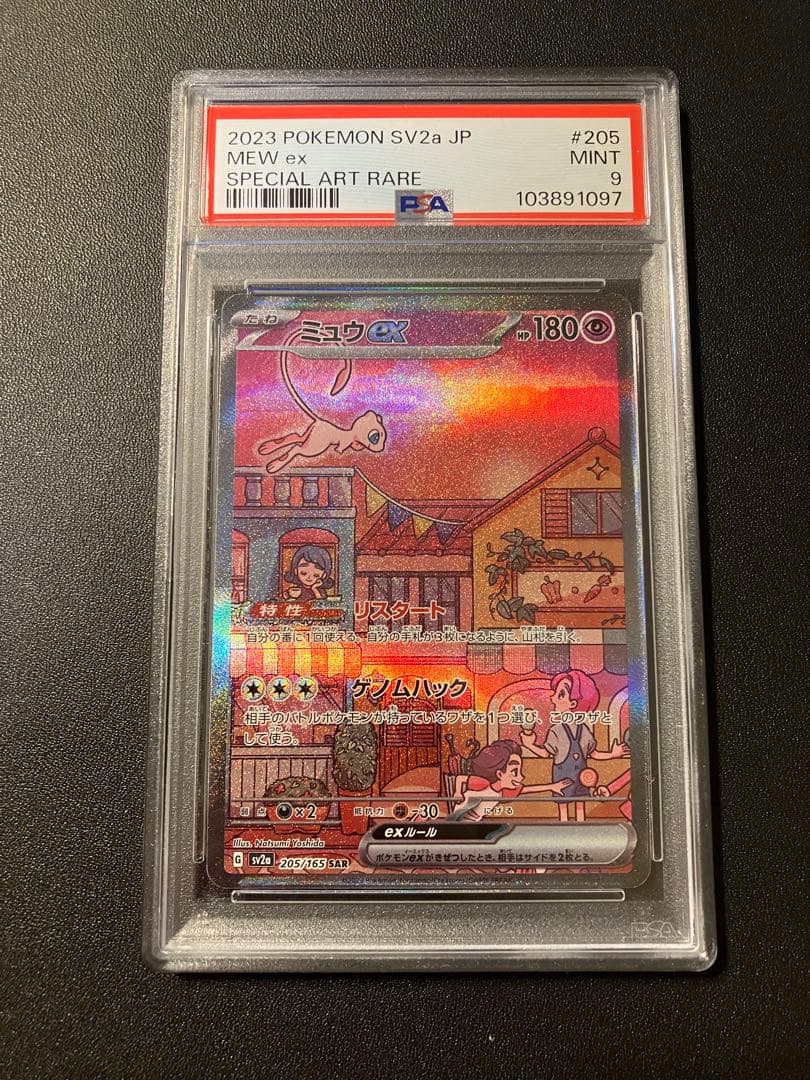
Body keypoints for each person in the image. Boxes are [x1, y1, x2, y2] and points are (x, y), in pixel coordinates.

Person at [521, 669, 629, 822]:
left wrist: (529, 745)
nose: (553, 698)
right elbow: (593, 754)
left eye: (560, 694)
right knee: (567, 807)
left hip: (582, 777)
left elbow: (592, 753)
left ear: (573, 703)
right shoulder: (558, 730)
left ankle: (578, 829)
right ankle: (568, 828)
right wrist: (529, 745)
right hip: (562, 777)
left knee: (578, 805)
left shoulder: (574, 730)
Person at [450, 739, 571, 822]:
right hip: (458, 821)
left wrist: (551, 787)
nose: (521, 777)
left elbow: (526, 789)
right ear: (499, 774)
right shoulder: (482, 784)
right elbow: (460, 778)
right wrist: (457, 793)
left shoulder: (502, 792)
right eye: (514, 772)